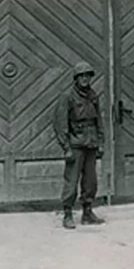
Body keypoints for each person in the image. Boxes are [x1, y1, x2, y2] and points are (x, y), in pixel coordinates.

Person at [53, 61, 105, 229]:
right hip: (75, 144)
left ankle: (87, 212)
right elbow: (60, 123)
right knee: (71, 181)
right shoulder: (67, 97)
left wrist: (100, 142)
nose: (85, 79)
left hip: (91, 144)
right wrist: (66, 147)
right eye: (81, 76)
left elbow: (99, 121)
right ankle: (67, 213)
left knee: (91, 181)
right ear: (75, 78)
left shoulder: (93, 95)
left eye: (87, 75)